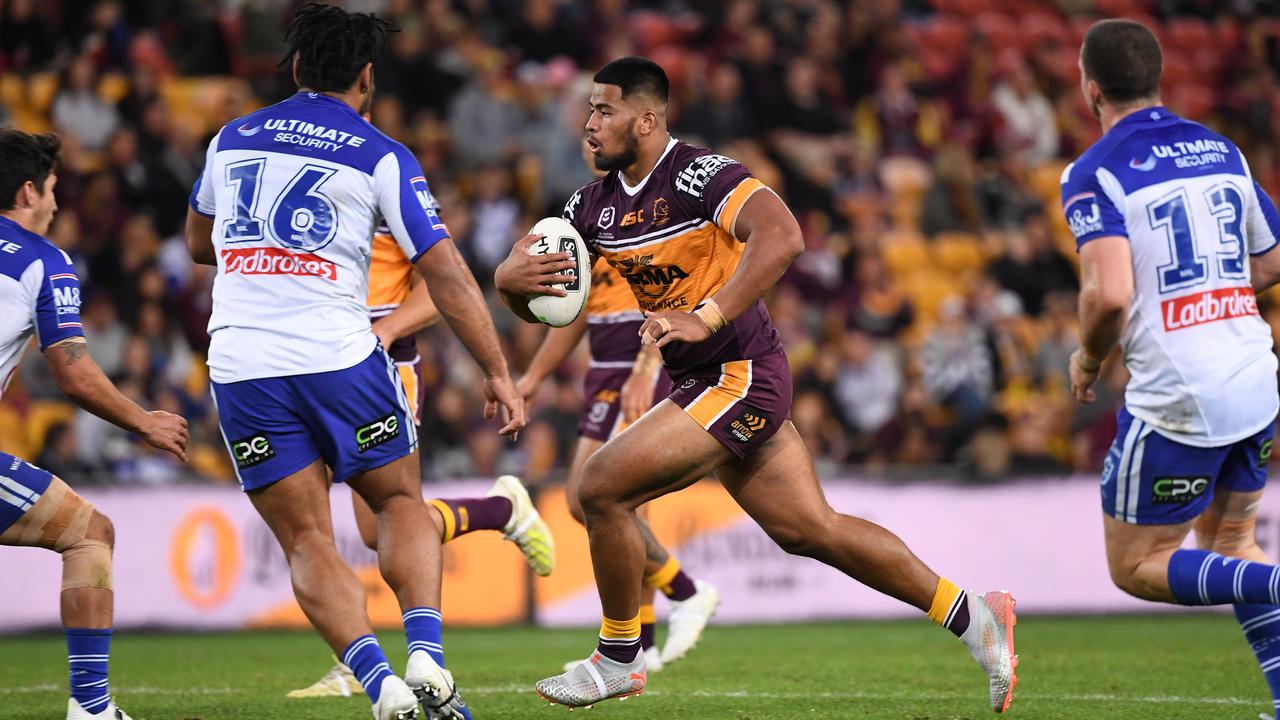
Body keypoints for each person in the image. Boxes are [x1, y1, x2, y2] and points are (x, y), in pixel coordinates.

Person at [495, 56, 1018, 712]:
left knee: (599, 486)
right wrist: (507, 285)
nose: (589, 124)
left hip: (740, 373)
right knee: (811, 530)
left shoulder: (698, 174)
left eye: (605, 110)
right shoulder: (590, 207)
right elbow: (553, 297)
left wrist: (706, 314)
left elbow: (784, 235)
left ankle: (618, 658)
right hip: (704, 381)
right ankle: (976, 619)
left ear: (648, 120)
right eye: (590, 110)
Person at [184, 5, 524, 720]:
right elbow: (450, 274)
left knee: (306, 537)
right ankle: (425, 655)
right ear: (366, 78)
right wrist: (497, 370)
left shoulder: (231, 137)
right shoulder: (380, 154)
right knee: (397, 502)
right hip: (339, 355)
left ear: (298, 67)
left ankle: (380, 686)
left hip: (242, 363)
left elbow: (197, 242)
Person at [1066, 19, 1280, 719]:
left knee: (1135, 566)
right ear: (1159, 77)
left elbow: (1109, 294)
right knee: (1231, 543)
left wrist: (1089, 356)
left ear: (1090, 87)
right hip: (1254, 374)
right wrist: (1211, 292)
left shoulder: (1093, 171)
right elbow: (1273, 259)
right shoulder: (1221, 149)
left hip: (1182, 397)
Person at [290, 218, 554, 699]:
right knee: (330, 522)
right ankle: (502, 510)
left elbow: (445, 281)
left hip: (383, 368)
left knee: (381, 522)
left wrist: (387, 328)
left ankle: (355, 662)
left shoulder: (381, 183)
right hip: (312, 364)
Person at [0, 128, 188, 720]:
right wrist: (144, 421)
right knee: (89, 534)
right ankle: (92, 708)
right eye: (53, 189)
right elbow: (75, 374)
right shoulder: (42, 261)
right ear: (29, 191)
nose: (57, 204)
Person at [518, 258, 718, 674]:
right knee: (598, 503)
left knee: (610, 500)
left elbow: (664, 299)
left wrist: (645, 369)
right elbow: (577, 311)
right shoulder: (592, 225)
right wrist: (534, 376)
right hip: (603, 371)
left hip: (637, 367)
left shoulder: (641, 220)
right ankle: (665, 612)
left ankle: (661, 616)